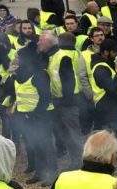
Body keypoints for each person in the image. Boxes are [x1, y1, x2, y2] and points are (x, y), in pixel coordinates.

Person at [3, 46, 56, 186]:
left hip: (42, 115)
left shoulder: (39, 74)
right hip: (26, 115)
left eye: (19, 58)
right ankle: (39, 172)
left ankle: (52, 174)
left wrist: (35, 114)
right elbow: (13, 92)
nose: (16, 60)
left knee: (46, 145)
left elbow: (45, 98)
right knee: (34, 145)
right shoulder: (19, 74)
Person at [40, 31, 85, 171]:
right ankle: (75, 162)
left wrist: (65, 101)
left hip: (68, 102)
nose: (38, 42)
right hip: (58, 101)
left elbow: (69, 81)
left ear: (49, 43)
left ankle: (81, 163)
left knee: (73, 133)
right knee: (65, 133)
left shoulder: (62, 56)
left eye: (41, 40)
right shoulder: (50, 56)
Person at [91, 38, 117, 136]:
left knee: (114, 140)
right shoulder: (100, 68)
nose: (116, 54)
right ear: (106, 52)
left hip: (113, 109)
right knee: (107, 142)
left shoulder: (108, 63)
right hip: (106, 110)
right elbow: (112, 89)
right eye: (114, 52)